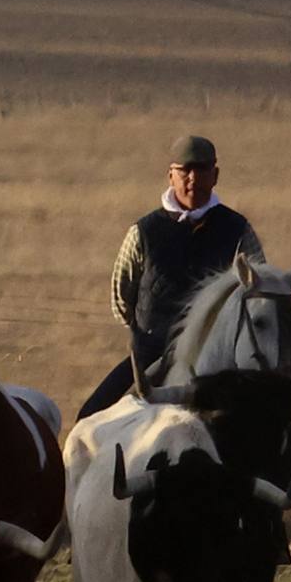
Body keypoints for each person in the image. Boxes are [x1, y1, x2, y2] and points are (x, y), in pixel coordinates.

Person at [74, 135, 267, 419]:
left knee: (271, 421)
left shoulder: (237, 229)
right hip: (152, 352)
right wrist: (151, 332)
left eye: (202, 170)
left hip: (218, 360)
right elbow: (121, 299)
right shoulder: (143, 232)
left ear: (215, 175)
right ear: (170, 175)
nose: (193, 177)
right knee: (90, 418)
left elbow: (258, 290)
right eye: (185, 170)